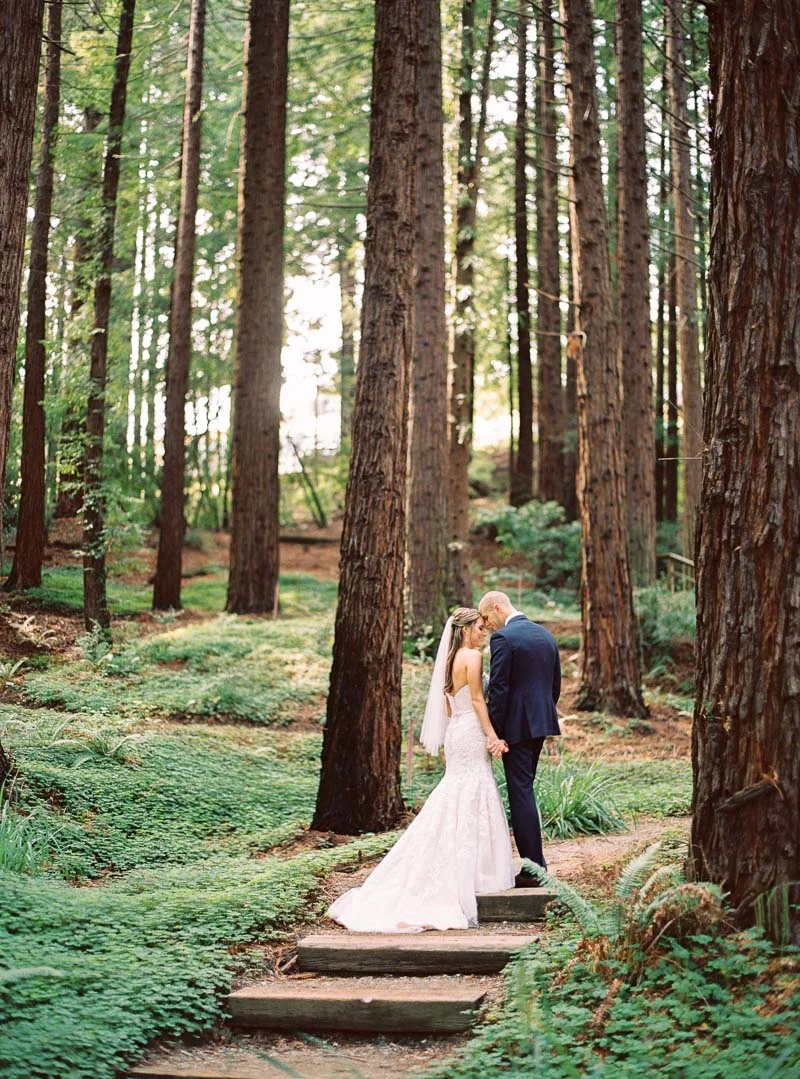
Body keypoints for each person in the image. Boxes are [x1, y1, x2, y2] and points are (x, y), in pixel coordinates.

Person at [327, 608, 515, 932]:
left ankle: (458, 864)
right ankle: (479, 873)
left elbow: (449, 706)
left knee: (457, 789)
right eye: (479, 628)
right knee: (474, 789)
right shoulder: (472, 656)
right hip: (471, 730)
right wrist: (492, 736)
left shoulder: (449, 659)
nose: (484, 633)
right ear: (466, 630)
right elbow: (478, 701)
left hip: (456, 731)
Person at [478, 591, 561, 881]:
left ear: (497, 607)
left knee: (520, 793)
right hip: (541, 724)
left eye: (486, 617)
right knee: (525, 788)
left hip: (515, 728)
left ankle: (533, 870)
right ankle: (536, 866)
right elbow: (554, 686)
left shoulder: (503, 638)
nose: (486, 625)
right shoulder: (546, 635)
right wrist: (540, 715)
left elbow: (499, 689)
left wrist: (495, 733)